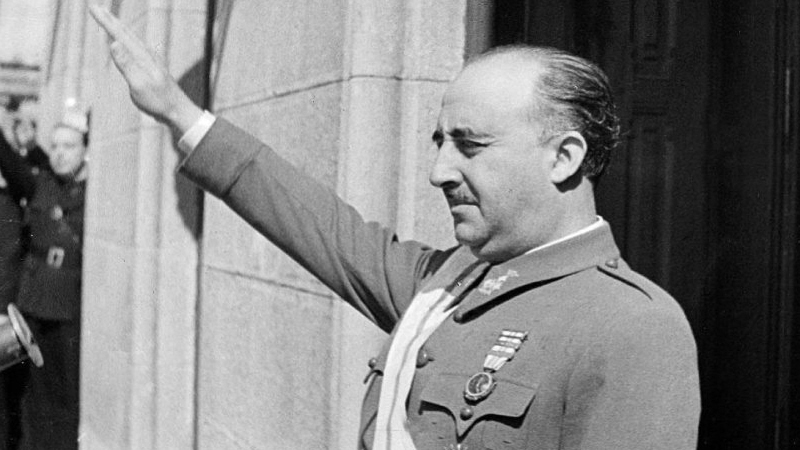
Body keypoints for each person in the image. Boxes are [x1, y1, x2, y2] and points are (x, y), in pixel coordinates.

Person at [90, 5, 700, 450]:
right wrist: (178, 113)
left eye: (470, 145)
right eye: (440, 142)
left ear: (563, 157)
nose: (439, 172)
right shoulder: (450, 285)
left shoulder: (632, 328)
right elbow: (317, 225)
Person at [0, 110, 88, 450]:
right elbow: (9, 161)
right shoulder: (40, 185)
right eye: (55, 146)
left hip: (68, 306)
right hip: (33, 301)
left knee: (64, 391)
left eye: (69, 146)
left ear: (86, 151)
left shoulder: (93, 192)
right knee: (28, 392)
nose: (60, 153)